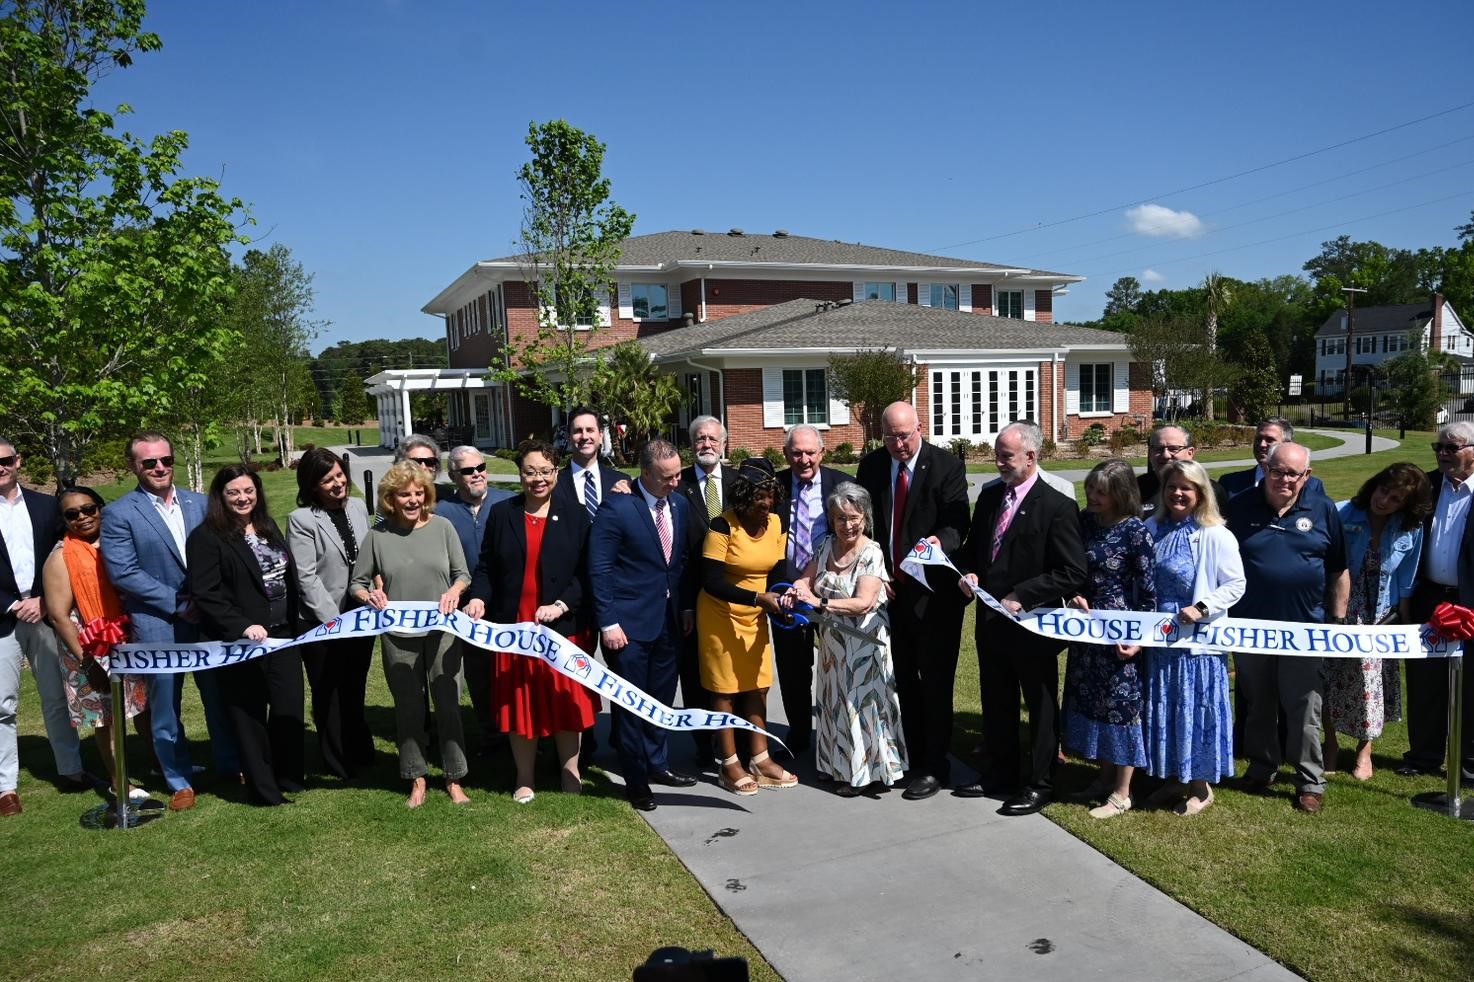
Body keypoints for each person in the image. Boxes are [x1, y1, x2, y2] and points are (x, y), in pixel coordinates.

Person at [100, 430, 239, 811]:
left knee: (218, 697)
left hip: (207, 621)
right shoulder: (119, 513)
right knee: (164, 709)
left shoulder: (201, 504)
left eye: (166, 460)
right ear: (134, 466)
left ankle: (229, 764)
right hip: (158, 624)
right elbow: (124, 572)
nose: (160, 467)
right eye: (149, 462)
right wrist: (177, 604)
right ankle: (179, 780)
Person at [955, 421, 1087, 815]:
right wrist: (969, 572)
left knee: (1042, 706)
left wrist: (1022, 595)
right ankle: (1001, 773)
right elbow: (977, 549)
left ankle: (1040, 782)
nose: (998, 463)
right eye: (997, 454)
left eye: (1006, 456)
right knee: (996, 701)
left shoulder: (1057, 505)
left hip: (1032, 626)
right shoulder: (992, 496)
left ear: (1031, 457)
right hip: (991, 621)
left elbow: (1072, 572)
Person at [464, 441, 596, 803]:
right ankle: (525, 777)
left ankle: (570, 771)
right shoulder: (503, 513)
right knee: (521, 701)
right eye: (530, 471)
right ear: (519, 474)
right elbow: (487, 567)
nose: (537, 478)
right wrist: (478, 597)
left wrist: (561, 604)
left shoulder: (576, 514)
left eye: (545, 471)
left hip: (561, 627)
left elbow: (586, 574)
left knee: (566, 701)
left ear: (556, 473)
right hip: (515, 628)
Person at [856, 401, 970, 801]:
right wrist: (876, 574)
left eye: (905, 435)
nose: (899, 444)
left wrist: (942, 541)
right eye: (890, 437)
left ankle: (935, 766)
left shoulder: (946, 467)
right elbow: (864, 526)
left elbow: (959, 524)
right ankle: (910, 754)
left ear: (920, 427)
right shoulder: (871, 466)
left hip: (934, 597)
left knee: (935, 683)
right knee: (900, 680)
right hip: (890, 593)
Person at [1225, 442, 1348, 813]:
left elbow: (1338, 569)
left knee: (1305, 709)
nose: (1284, 479)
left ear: (1305, 476)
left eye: (1293, 473)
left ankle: (1310, 780)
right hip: (1250, 627)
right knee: (1258, 703)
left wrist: (1337, 623)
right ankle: (1262, 768)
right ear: (1265, 469)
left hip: (1305, 630)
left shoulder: (1323, 509)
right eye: (1276, 471)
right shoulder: (1240, 506)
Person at [349, 460, 472, 808]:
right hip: (398, 634)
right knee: (409, 706)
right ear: (391, 498)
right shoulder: (378, 535)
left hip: (442, 631)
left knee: (448, 702)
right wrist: (369, 596)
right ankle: (416, 776)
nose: (414, 499)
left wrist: (454, 592)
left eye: (419, 493)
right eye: (405, 494)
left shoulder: (443, 527)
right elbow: (357, 583)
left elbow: (462, 573)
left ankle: (455, 776)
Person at [588, 439, 698, 812]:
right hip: (628, 627)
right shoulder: (617, 508)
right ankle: (636, 781)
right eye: (667, 477)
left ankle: (658, 763)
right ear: (645, 474)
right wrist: (608, 622)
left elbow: (678, 562)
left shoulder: (679, 504)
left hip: (668, 622)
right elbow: (599, 569)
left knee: (661, 701)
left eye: (678, 474)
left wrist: (683, 609)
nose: (676, 482)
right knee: (632, 705)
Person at [186, 465, 306, 807]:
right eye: (234, 493)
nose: (243, 498)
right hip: (241, 643)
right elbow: (206, 593)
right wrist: (240, 625)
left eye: (249, 491)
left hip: (283, 637)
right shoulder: (207, 537)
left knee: (288, 707)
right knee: (249, 716)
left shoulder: (267, 527)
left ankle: (289, 777)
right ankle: (263, 789)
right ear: (220, 497)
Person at [784, 483, 906, 796]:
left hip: (864, 644)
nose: (847, 524)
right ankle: (833, 765)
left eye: (853, 517)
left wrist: (818, 603)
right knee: (833, 702)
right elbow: (806, 578)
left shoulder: (871, 553)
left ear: (865, 517)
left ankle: (864, 773)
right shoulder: (825, 545)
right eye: (840, 518)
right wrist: (795, 589)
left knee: (859, 705)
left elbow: (863, 602)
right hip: (832, 644)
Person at [1142, 460, 1246, 815]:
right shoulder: (1151, 527)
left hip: (1197, 643)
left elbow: (1235, 584)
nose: (1178, 493)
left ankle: (1200, 788)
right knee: (1166, 706)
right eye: (1171, 486)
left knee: (1195, 708)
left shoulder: (1215, 533)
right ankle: (1174, 777)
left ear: (1201, 492)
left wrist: (1202, 607)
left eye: (1186, 487)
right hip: (1159, 640)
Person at [1, 438, 92, 817]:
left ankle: (71, 769)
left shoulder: (44, 506)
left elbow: (63, 553)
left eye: (5, 460)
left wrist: (42, 598)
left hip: (44, 612)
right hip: (3, 618)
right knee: (2, 704)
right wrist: (10, 603)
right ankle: (5, 787)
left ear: (18, 461)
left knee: (57, 696)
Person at [39, 487, 149, 799]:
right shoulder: (60, 557)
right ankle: (119, 782)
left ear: (101, 507)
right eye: (72, 514)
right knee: (105, 717)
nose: (83, 518)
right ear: (63, 520)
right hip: (86, 648)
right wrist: (88, 663)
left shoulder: (115, 542)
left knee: (143, 706)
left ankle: (159, 764)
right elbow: (59, 617)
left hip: (124, 638)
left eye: (89, 509)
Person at [1061, 459, 1156, 819]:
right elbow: (1072, 569)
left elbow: (1149, 595)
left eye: (1102, 491)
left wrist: (1140, 639)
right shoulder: (1085, 522)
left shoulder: (1136, 531)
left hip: (1121, 634)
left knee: (1121, 708)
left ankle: (1123, 791)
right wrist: (1074, 594)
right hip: (1087, 630)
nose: (1093, 496)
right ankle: (1102, 777)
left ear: (1121, 493)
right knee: (1093, 703)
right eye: (1090, 489)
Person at [1324, 463, 1429, 781]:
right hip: (1342, 607)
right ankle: (1329, 744)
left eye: (1395, 498)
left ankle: (1364, 750)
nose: (1384, 501)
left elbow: (1408, 575)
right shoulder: (1344, 512)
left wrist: (1405, 616)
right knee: (1330, 675)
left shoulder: (1410, 528)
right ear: (1374, 485)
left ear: (1405, 505)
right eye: (1383, 490)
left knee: (1372, 684)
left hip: (1380, 613)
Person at [697, 458, 795, 795]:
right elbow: (711, 581)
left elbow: (777, 572)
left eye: (770, 496)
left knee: (758, 685)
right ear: (742, 498)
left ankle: (760, 757)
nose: (766, 504)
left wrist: (782, 600)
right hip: (720, 615)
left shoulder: (778, 522)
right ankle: (728, 762)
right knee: (724, 690)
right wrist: (759, 599)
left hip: (757, 613)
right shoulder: (721, 526)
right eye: (759, 498)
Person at [287, 448, 376, 780]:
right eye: (328, 479)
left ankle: (359, 749)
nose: (337, 483)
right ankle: (337, 760)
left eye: (340, 475)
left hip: (360, 614)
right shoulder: (302, 520)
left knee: (355, 686)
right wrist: (333, 622)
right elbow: (306, 577)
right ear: (312, 485)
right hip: (322, 621)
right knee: (329, 692)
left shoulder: (356, 507)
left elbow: (368, 558)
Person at [551, 406, 631, 763]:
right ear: (569, 437)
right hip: (571, 594)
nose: (584, 436)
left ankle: (622, 739)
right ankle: (582, 747)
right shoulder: (555, 482)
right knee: (577, 672)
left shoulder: (621, 481)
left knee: (621, 671)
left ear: (601, 435)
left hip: (614, 594)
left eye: (590, 430)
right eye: (577, 431)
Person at [1398, 421, 1474, 780]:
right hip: (1429, 598)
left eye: (1452, 448)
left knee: (1472, 681)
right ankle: (1424, 757)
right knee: (1425, 679)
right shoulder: (1426, 487)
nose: (1443, 454)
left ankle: (1470, 762)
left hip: (1470, 601)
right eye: (1438, 448)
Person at [772, 423, 852, 755]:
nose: (803, 460)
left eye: (810, 453)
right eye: (796, 453)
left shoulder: (841, 484)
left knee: (838, 663)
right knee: (792, 669)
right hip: (788, 590)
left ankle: (839, 733)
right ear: (786, 453)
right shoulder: (774, 485)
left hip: (832, 592)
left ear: (822, 452)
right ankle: (800, 734)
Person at [438, 444, 514, 759]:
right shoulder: (442, 511)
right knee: (479, 673)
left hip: (507, 603)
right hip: (465, 608)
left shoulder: (508, 502)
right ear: (454, 475)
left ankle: (519, 733)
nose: (478, 474)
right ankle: (491, 734)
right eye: (469, 471)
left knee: (511, 670)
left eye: (481, 467)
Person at [675, 414, 736, 765]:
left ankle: (736, 740)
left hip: (735, 596)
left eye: (713, 439)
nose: (707, 444)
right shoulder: (677, 484)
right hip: (694, 595)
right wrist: (684, 604)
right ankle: (703, 743)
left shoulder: (738, 481)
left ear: (723, 443)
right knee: (696, 672)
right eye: (700, 439)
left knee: (733, 669)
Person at [1137, 425, 1230, 521]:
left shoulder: (1212, 491)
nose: (1165, 455)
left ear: (1190, 453)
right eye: (1158, 448)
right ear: (1150, 453)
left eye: (1173, 449)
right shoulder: (1135, 488)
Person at [1219, 418, 1327, 500]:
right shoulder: (1229, 483)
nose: (1262, 444)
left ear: (1287, 444)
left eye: (1269, 440)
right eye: (1258, 439)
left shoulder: (1312, 486)